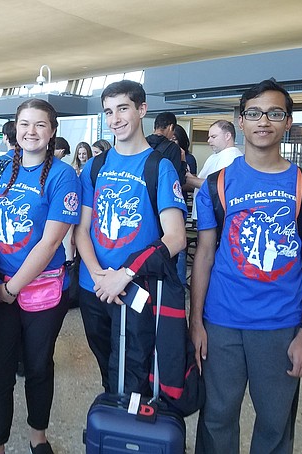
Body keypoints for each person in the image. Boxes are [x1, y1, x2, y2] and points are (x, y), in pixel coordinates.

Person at [190, 79, 302, 454]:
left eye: (275, 113)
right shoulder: (216, 184)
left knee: (275, 426)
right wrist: (196, 322)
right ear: (240, 122)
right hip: (222, 323)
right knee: (216, 419)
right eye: (254, 113)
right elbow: (205, 255)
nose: (264, 121)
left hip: (280, 327)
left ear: (287, 122)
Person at [0, 98, 81, 454]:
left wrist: (13, 288)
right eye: (24, 125)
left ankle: (38, 434)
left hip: (43, 290)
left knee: (37, 366)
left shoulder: (63, 175)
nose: (31, 132)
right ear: (15, 129)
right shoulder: (0, 167)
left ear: (52, 132)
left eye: (39, 125)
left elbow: (50, 243)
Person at [75, 80, 187, 397]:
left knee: (135, 374)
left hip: (136, 290)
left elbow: (176, 237)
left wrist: (123, 276)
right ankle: (112, 424)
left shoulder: (159, 167)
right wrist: (99, 275)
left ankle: (131, 432)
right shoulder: (95, 166)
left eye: (123, 108)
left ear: (141, 109)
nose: (115, 119)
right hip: (93, 288)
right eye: (108, 111)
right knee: (108, 371)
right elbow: (82, 229)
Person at [186, 120, 243, 219]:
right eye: (209, 137)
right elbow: (204, 180)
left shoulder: (231, 157)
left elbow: (216, 186)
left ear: (227, 136)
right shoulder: (215, 156)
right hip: (206, 215)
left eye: (213, 137)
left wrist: (189, 179)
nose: (209, 141)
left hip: (216, 218)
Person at [171, 124, 195, 288]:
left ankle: (180, 282)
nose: (172, 142)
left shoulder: (188, 158)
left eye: (175, 139)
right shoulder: (164, 156)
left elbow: (190, 183)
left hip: (180, 208)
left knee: (179, 245)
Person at [145, 111, 186, 184]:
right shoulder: (173, 148)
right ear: (171, 127)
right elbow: (177, 180)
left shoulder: (143, 142)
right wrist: (183, 162)